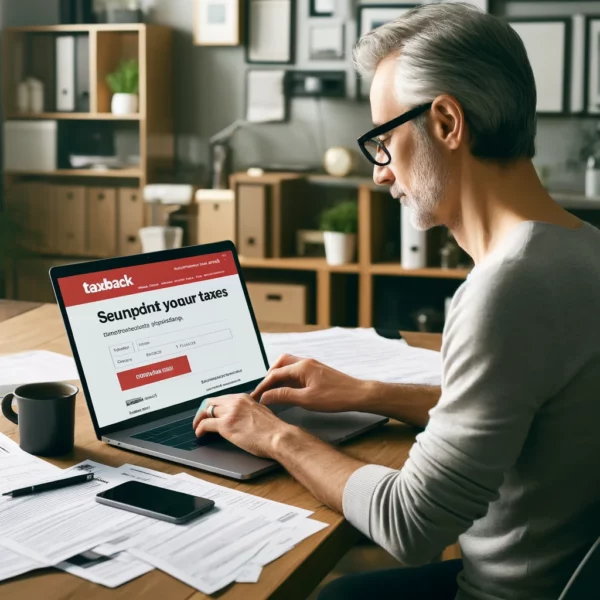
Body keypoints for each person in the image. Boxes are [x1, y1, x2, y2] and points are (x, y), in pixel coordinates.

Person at [193, 3, 600, 598]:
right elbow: (524, 414)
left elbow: (410, 525)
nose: (381, 173)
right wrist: (368, 395)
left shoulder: (506, 290)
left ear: (446, 123)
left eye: (384, 139)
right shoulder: (581, 249)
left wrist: (271, 434)